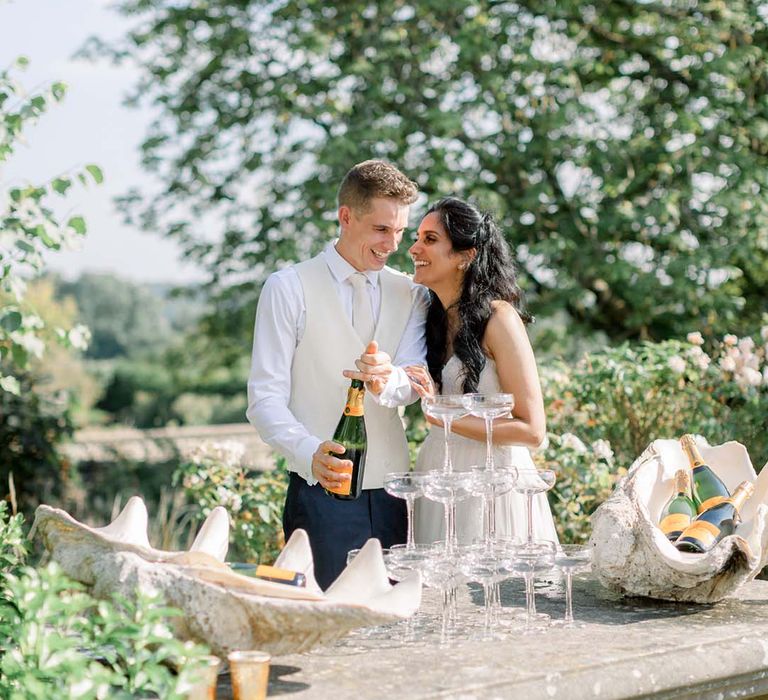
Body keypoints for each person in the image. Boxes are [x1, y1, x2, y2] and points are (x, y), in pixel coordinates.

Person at [246, 160, 428, 589]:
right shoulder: (287, 287)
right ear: (346, 217)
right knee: (327, 626)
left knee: (394, 623)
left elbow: (412, 380)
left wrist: (388, 380)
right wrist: (310, 452)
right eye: (382, 230)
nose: (393, 245)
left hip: (394, 495)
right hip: (319, 495)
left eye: (401, 231)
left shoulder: (413, 292)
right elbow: (264, 401)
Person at [404, 197, 559, 545]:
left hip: (493, 483)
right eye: (416, 237)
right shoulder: (429, 319)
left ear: (465, 255)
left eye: (430, 239)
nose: (414, 248)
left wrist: (441, 416)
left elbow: (532, 429)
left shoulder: (499, 318)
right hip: (437, 473)